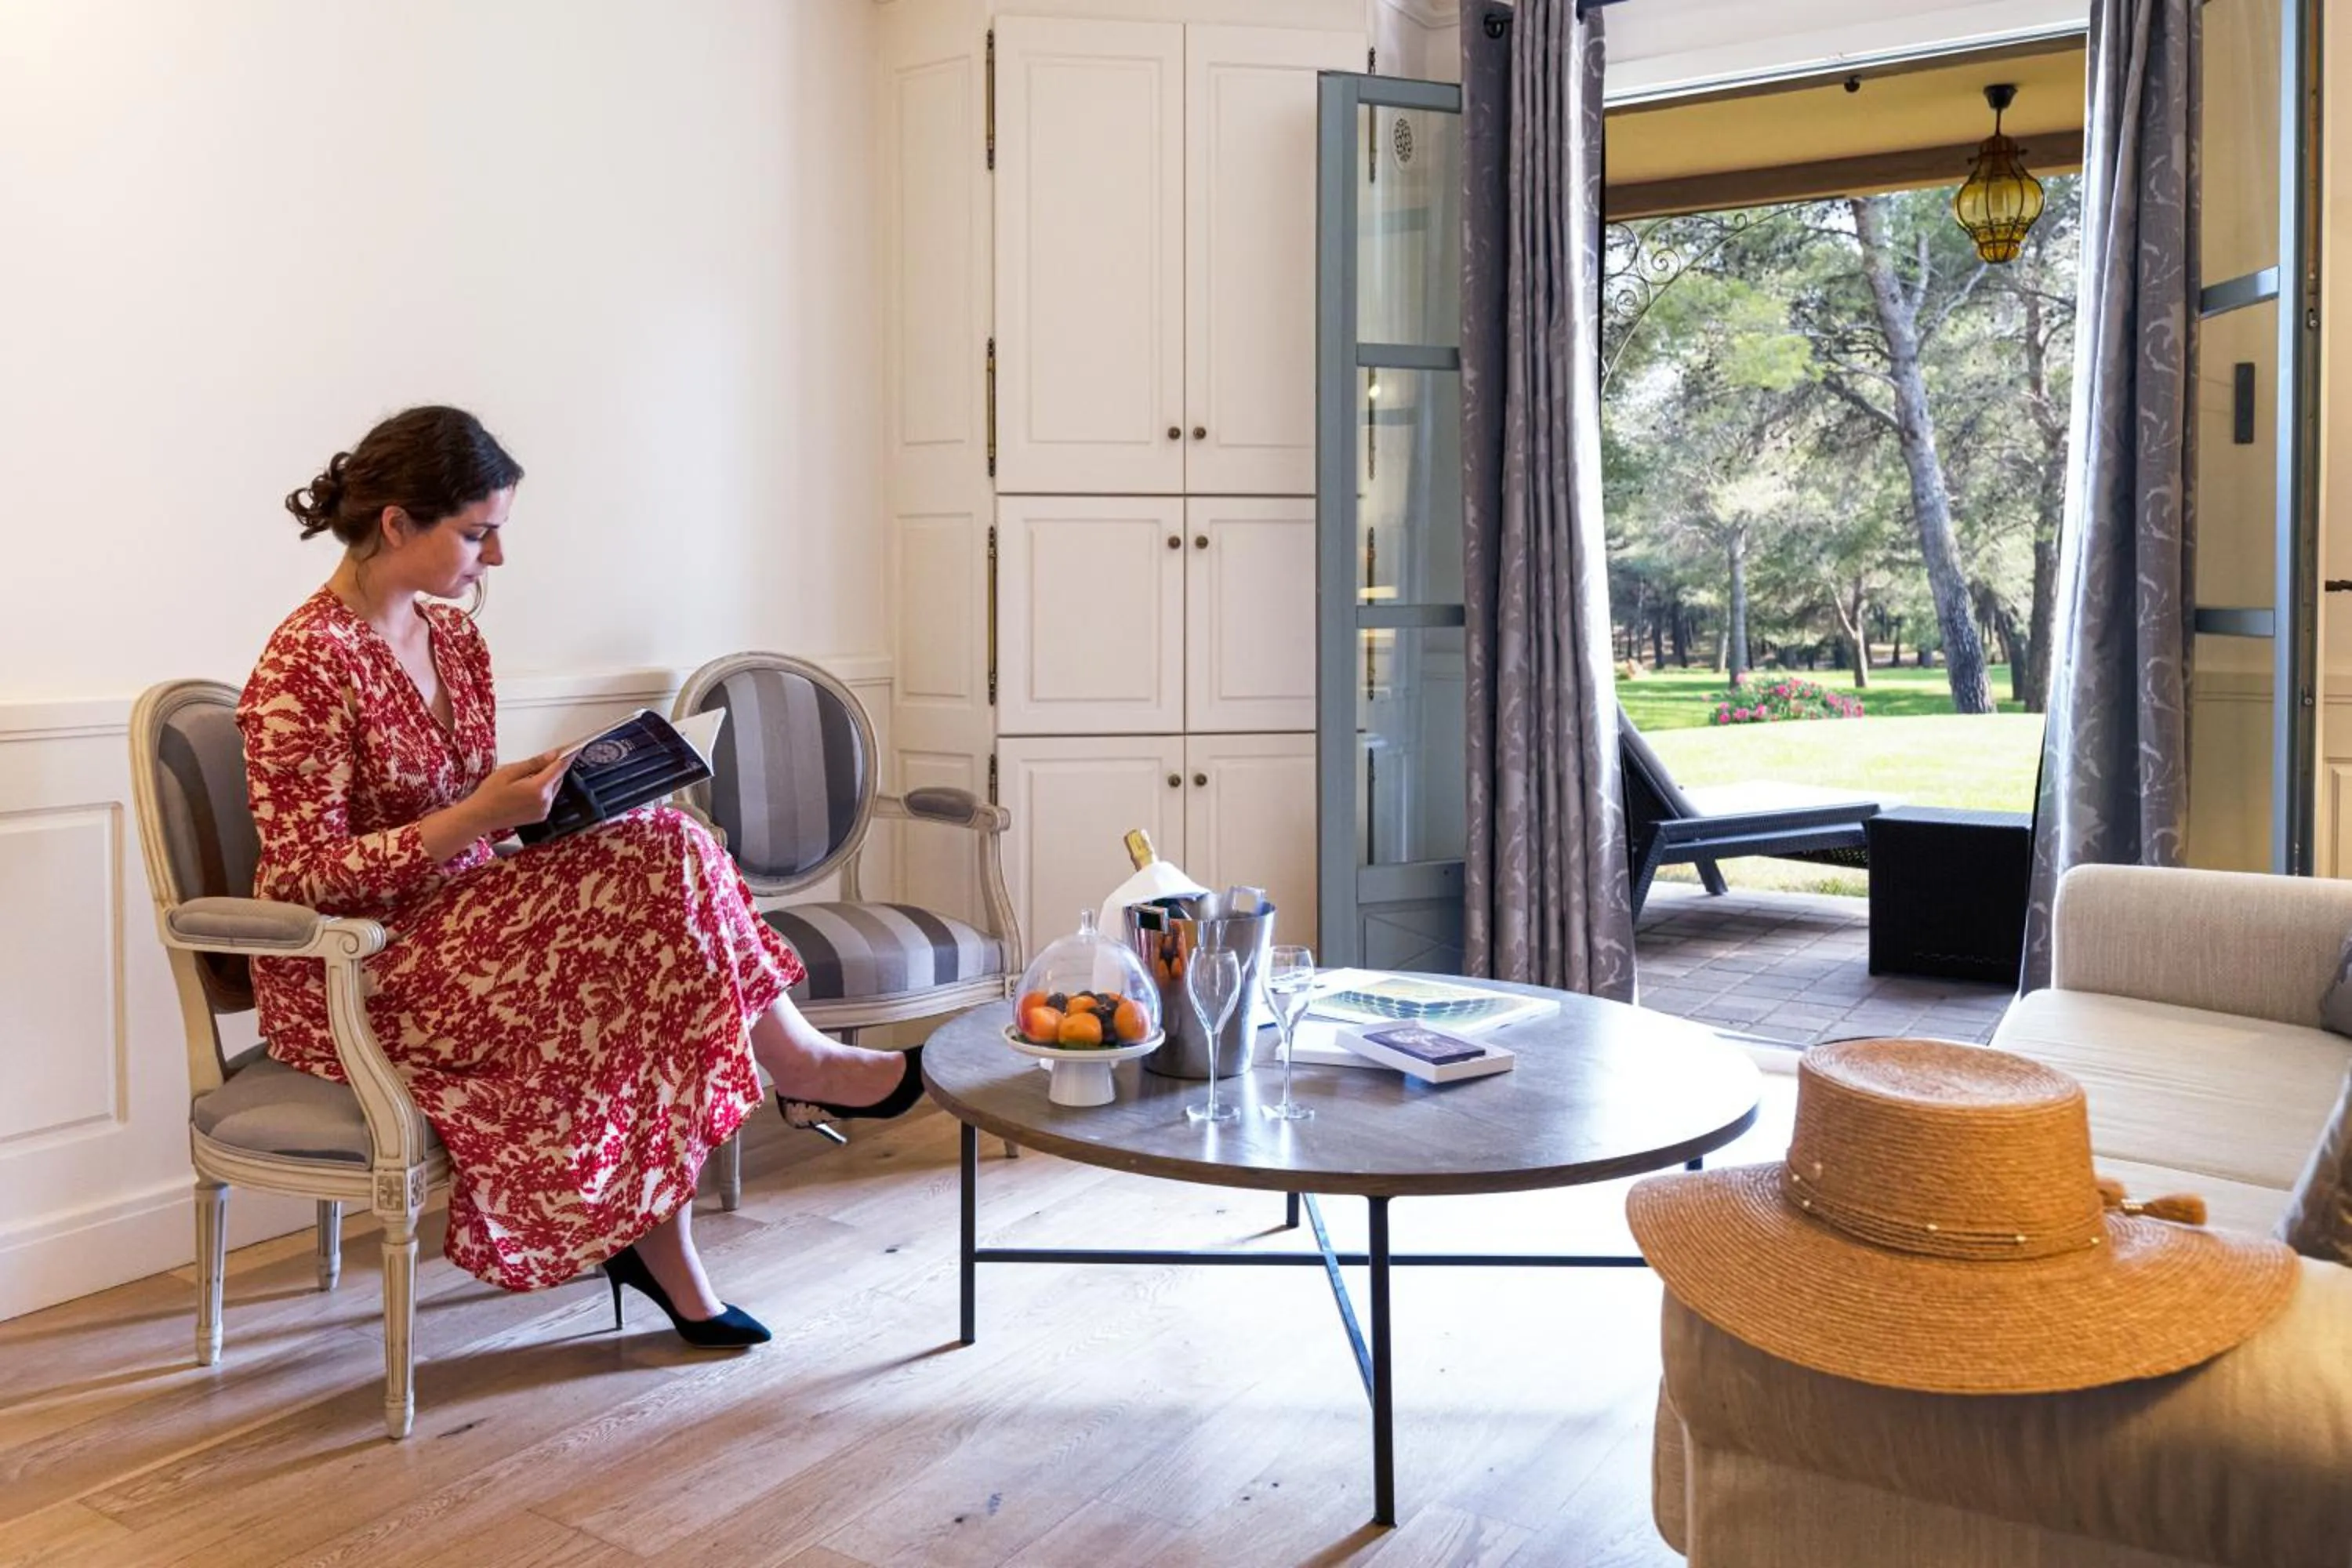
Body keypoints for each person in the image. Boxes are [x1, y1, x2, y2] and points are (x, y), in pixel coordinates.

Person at [240, 405, 922, 1348]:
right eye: (477, 533)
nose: (496, 559)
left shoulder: (454, 643)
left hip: (461, 922)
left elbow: (455, 813)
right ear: (397, 523)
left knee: (659, 844)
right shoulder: (304, 663)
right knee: (659, 885)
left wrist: (538, 799)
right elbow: (300, 879)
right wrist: (475, 816)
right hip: (361, 968)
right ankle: (799, 1070)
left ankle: (668, 1226)